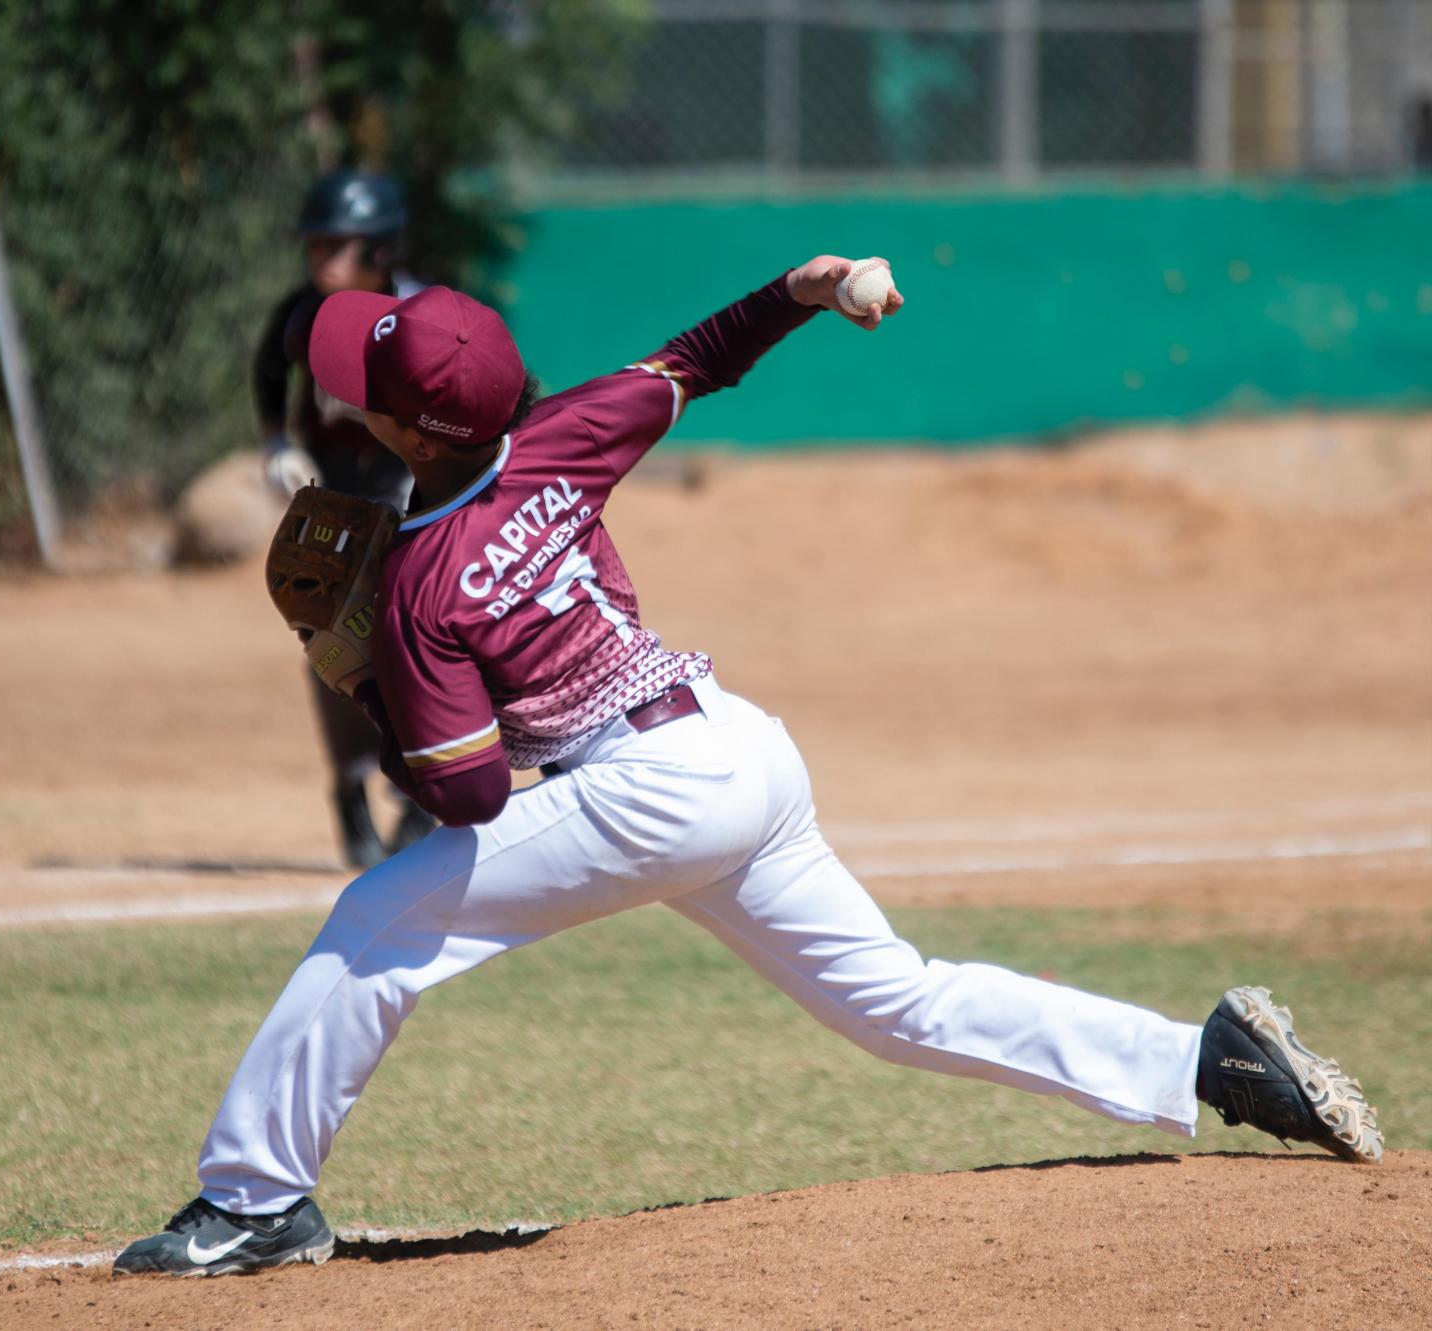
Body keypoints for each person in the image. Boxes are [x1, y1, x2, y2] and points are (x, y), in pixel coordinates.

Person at [112, 257, 1383, 1278]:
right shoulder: (560, 434)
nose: (352, 396)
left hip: (646, 793)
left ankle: (256, 1201)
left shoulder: (416, 588)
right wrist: (803, 289)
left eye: (366, 386)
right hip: (736, 747)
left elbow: (470, 798)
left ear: (400, 426)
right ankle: (1200, 1060)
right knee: (896, 1001)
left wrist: (363, 682)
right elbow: (691, 362)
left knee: (373, 919)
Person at [253, 169, 435, 867]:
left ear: (381, 249)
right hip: (332, 488)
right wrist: (276, 441)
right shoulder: (303, 312)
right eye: (315, 244)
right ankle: (351, 788)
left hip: (407, 485)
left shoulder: (420, 313)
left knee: (408, 630)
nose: (319, 258)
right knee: (326, 634)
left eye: (338, 245)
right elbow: (269, 366)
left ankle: (422, 793)